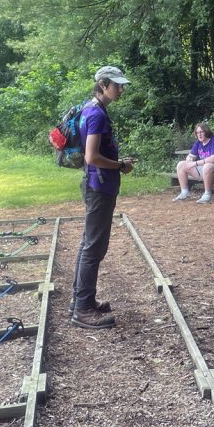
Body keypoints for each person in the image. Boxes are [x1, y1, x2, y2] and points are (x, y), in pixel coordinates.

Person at [71, 66, 135, 329]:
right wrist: (120, 165)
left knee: (89, 243)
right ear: (103, 84)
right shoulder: (96, 114)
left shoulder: (91, 109)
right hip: (99, 186)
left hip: (96, 185)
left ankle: (80, 301)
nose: (121, 89)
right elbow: (91, 157)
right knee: (94, 246)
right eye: (117, 85)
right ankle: (83, 309)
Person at [172, 122, 214, 204]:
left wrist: (194, 163)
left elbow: (213, 159)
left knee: (208, 166)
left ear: (206, 132)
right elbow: (191, 156)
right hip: (204, 169)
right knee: (181, 164)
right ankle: (184, 192)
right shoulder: (198, 142)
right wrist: (189, 160)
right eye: (197, 132)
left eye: (201, 132)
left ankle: (207, 194)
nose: (199, 134)